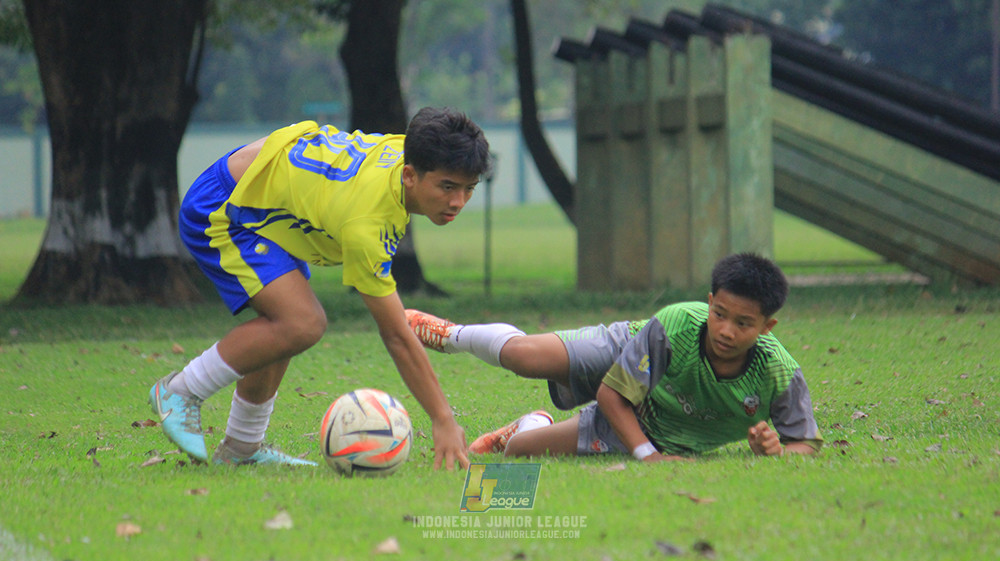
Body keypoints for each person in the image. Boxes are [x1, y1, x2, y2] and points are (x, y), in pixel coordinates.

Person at [150, 107, 491, 467]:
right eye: (447, 187)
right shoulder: (369, 222)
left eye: (469, 188)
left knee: (288, 321)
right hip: (225, 208)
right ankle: (180, 393)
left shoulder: (407, 151)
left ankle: (241, 448)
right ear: (410, 175)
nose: (458, 202)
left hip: (267, 201)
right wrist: (442, 418)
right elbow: (395, 334)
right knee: (301, 322)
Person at [406, 253, 822, 461]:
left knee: (517, 451)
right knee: (524, 357)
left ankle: (529, 424)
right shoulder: (677, 324)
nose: (727, 331)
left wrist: (777, 452)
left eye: (744, 324)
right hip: (630, 349)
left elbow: (804, 442)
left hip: (650, 420)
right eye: (719, 315)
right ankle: (452, 334)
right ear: (709, 302)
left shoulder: (779, 371)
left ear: (767, 327)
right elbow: (612, 395)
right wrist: (649, 457)